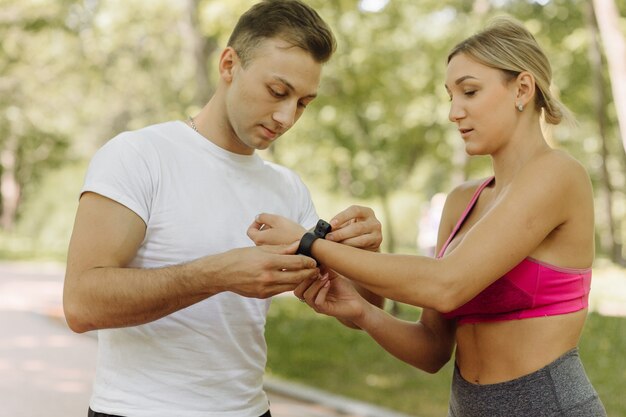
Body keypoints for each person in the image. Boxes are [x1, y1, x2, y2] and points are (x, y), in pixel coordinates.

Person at [249, 16, 607, 416]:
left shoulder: (558, 174)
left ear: (522, 88)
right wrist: (362, 311)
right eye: (450, 96)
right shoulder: (461, 201)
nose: (454, 112)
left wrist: (308, 243)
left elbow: (445, 285)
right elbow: (432, 349)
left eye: (469, 91)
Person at [63, 2, 383, 417]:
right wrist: (217, 274)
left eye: (303, 102)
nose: (287, 117)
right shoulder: (138, 156)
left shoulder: (286, 187)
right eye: (278, 92)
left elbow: (361, 313)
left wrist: (366, 257)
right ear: (229, 64)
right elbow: (81, 304)